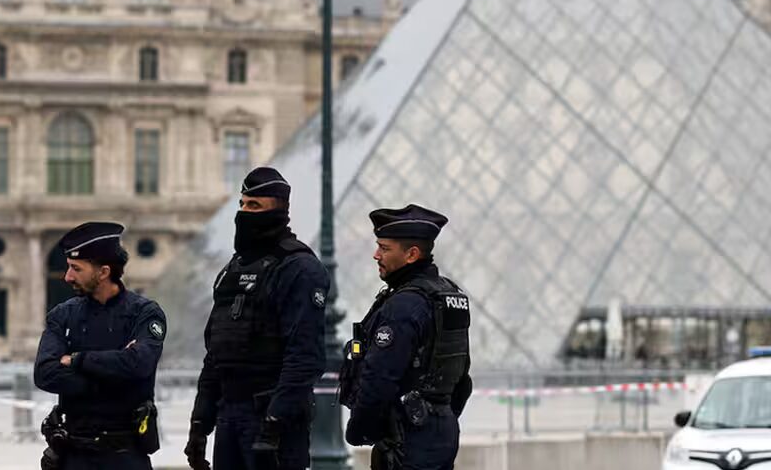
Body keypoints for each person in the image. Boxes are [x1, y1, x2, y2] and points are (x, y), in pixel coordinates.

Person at [185, 167, 330, 470]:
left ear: (278, 211)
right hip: (229, 416)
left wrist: (274, 423)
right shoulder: (232, 269)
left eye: (254, 206)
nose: (243, 213)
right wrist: (200, 423)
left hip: (272, 419)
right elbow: (217, 353)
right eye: (242, 204)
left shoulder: (299, 268)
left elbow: (305, 357)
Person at [339, 204, 472, 470]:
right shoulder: (450, 295)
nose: (376, 255)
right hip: (441, 432)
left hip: (405, 440)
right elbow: (461, 375)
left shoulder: (404, 305)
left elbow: (379, 378)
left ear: (412, 254)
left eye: (385, 248)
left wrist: (359, 430)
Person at [34, 222, 167, 470]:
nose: (67, 277)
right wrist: (115, 375)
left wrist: (77, 361)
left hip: (125, 455)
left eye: (76, 268)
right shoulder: (63, 316)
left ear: (103, 272)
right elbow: (45, 374)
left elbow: (139, 364)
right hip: (74, 455)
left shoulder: (144, 314)